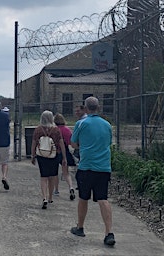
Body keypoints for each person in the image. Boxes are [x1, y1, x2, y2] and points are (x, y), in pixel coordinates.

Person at [70, 97, 115, 246]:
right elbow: (109, 143)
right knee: (103, 198)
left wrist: (84, 145)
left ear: (86, 108)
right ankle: (109, 232)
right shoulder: (107, 124)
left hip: (87, 166)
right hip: (103, 167)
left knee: (83, 197)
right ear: (98, 107)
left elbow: (74, 143)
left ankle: (80, 227)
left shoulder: (81, 123)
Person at [31, 110, 67, 209]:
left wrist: (33, 155)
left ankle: (44, 197)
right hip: (54, 156)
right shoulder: (56, 130)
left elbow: (34, 143)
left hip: (42, 156)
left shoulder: (38, 129)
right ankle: (50, 196)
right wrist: (64, 157)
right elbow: (61, 143)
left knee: (43, 177)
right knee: (52, 176)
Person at [53, 113, 76, 200]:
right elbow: (70, 142)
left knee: (54, 173)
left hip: (55, 152)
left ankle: (56, 190)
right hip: (64, 152)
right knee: (66, 173)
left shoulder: (54, 129)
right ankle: (70, 187)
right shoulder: (67, 130)